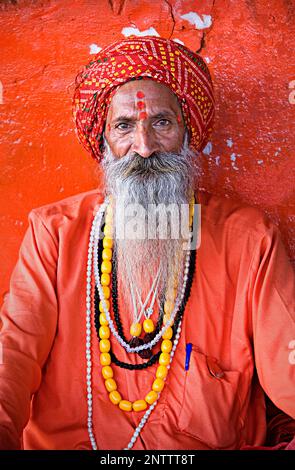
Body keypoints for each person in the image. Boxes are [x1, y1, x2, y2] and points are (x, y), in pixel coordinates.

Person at [0, 36, 294, 451]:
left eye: (161, 123)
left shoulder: (247, 240)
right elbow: (13, 352)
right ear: (103, 142)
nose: (144, 147)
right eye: (124, 126)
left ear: (187, 134)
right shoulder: (55, 233)